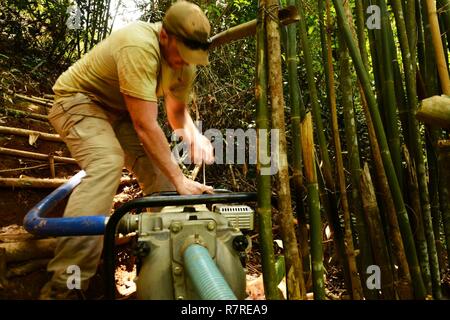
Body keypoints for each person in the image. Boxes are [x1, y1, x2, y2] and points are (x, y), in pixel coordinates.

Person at [39, 1, 214, 299]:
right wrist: (181, 178)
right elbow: (146, 126)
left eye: (191, 58)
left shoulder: (186, 65)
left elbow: (176, 113)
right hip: (78, 100)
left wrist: (194, 135)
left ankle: (162, 268)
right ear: (164, 37)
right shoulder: (138, 45)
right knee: (107, 162)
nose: (183, 64)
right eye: (180, 55)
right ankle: (67, 284)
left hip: (120, 113)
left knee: (163, 178)